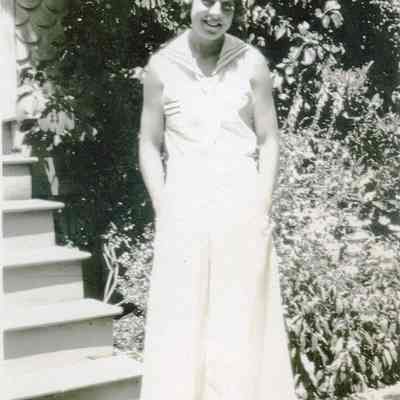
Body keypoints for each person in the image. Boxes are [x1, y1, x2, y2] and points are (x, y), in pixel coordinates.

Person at [138, 0, 296, 399]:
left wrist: (261, 206)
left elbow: (269, 139)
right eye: (208, 1)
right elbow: (149, 143)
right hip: (184, 208)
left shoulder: (252, 63)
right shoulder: (161, 66)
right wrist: (163, 206)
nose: (216, 14)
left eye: (227, 6)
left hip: (239, 205)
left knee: (241, 320)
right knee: (182, 321)